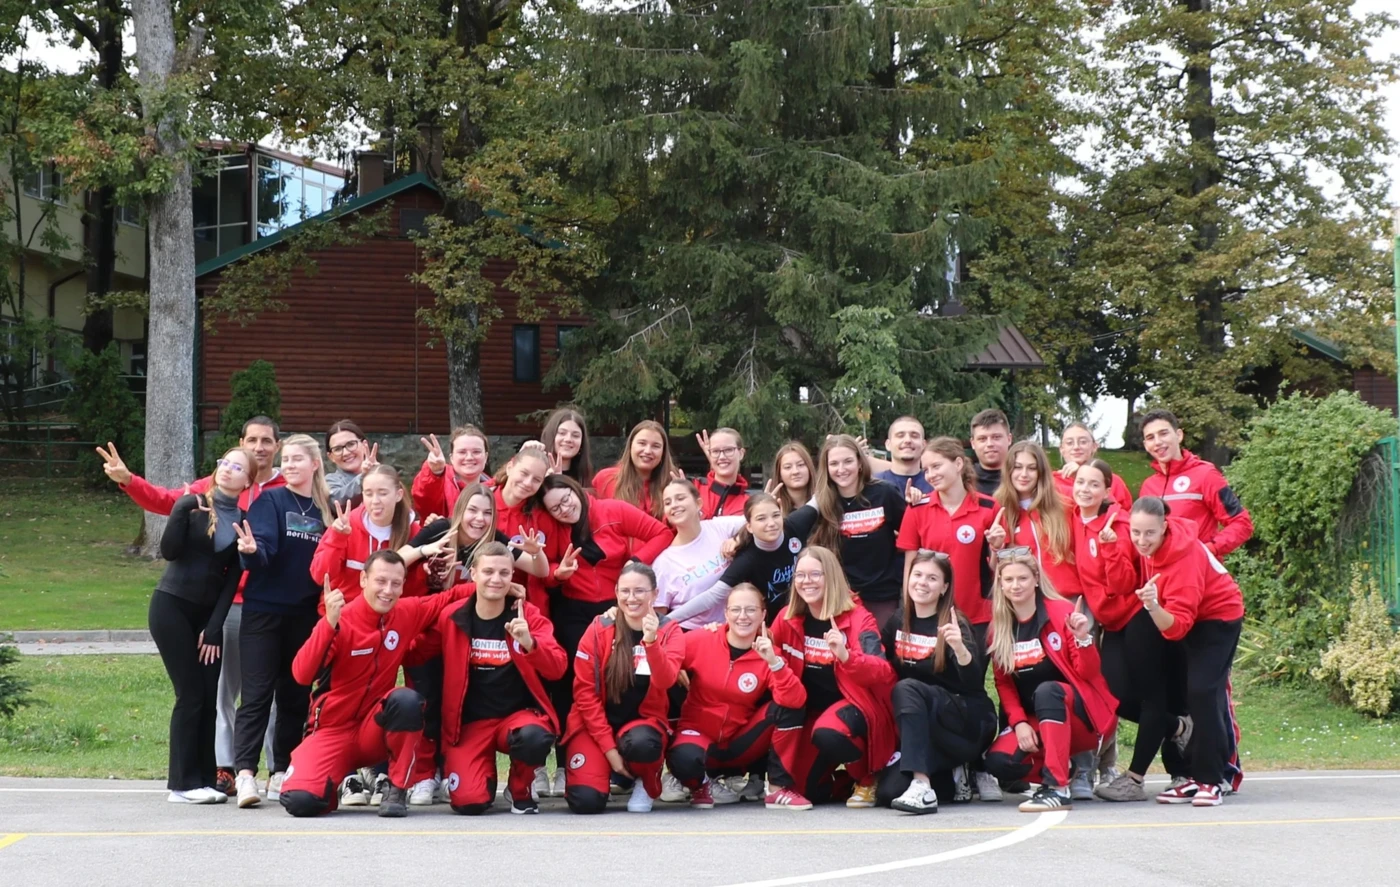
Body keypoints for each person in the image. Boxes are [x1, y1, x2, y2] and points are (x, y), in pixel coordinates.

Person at [97, 417, 283, 794]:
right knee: (211, 694)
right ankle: (213, 773)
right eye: (251, 440)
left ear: (276, 446)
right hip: (207, 607)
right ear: (240, 443)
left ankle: (269, 771)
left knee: (260, 694)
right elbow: (167, 504)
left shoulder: (281, 491)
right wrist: (129, 480)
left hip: (259, 605)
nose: (258, 447)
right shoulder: (203, 494)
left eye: (266, 440)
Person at [276, 550, 478, 817]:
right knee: (300, 802)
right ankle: (331, 784)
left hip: (374, 732)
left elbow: (449, 597)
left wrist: (494, 586)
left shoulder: (406, 611)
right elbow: (302, 674)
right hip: (332, 730)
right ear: (363, 580)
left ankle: (397, 790)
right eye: (380, 581)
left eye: (396, 583)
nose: (388, 590)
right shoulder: (341, 619)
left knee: (406, 700)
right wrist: (328, 624)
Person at [394, 481, 551, 807]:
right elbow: (396, 560)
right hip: (436, 623)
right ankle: (425, 774)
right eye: (472, 510)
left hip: (469, 627)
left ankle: (464, 772)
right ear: (459, 510)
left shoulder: (495, 541)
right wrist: (425, 551)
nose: (479, 519)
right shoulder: (440, 530)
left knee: (458, 700)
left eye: (487, 512)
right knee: (426, 698)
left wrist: (536, 554)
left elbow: (540, 570)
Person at [417, 542, 568, 815]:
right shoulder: (451, 616)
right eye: (488, 572)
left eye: (504, 573)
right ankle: (481, 783)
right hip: (470, 725)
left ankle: (520, 788)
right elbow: (416, 652)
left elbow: (557, 667)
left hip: (517, 719)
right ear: (473, 573)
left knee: (534, 736)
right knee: (469, 803)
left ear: (512, 576)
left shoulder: (527, 615)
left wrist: (531, 644)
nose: (496, 579)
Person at [230, 433, 332, 808]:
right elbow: (263, 548)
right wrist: (252, 552)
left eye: (296, 459)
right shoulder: (270, 501)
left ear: (315, 464)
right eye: (285, 459)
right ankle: (245, 774)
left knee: (294, 696)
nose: (288, 465)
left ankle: (281, 770)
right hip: (263, 612)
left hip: (305, 616)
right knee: (256, 695)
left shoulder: (327, 509)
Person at [1127, 496, 1246, 807]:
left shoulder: (1184, 558)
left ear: (1164, 527)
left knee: (1204, 691)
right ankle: (1193, 776)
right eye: (1135, 532)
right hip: (1193, 617)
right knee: (1189, 693)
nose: (1142, 540)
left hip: (1219, 618)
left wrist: (1153, 606)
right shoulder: (1155, 547)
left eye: (1149, 533)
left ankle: (1213, 779)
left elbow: (1177, 627)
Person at [150, 447, 252, 804]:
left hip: (207, 619)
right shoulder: (193, 506)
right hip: (171, 608)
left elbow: (231, 581)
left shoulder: (243, 520)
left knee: (209, 697)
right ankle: (181, 784)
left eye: (237, 467)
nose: (228, 469)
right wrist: (180, 509)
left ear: (248, 481)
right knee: (190, 693)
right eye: (225, 463)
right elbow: (169, 551)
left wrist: (213, 628)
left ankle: (206, 778)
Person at [538, 475, 674, 740]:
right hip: (574, 609)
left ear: (575, 490)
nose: (564, 509)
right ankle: (573, 741)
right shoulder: (553, 527)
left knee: (620, 671)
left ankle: (625, 737)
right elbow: (543, 570)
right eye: (555, 508)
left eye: (566, 499)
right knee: (577, 676)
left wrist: (635, 562)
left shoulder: (612, 510)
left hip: (617, 606)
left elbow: (662, 533)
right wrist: (558, 573)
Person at [982, 552, 1118, 812]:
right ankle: (1066, 768)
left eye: (1022, 578)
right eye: (1008, 579)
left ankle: (1057, 787)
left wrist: (1083, 639)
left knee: (1047, 691)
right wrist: (1019, 723)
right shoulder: (999, 628)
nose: (1015, 585)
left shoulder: (1062, 612)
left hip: (1082, 718)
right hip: (1039, 722)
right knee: (999, 762)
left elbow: (1089, 673)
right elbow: (1005, 685)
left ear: (1036, 579)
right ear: (1000, 584)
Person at [766, 546, 896, 810]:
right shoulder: (787, 617)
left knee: (829, 732)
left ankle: (868, 777)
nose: (807, 581)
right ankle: (844, 783)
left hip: (857, 707)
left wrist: (847, 656)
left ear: (832, 577)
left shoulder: (859, 618)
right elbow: (765, 647)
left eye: (815, 574)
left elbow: (882, 670)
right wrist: (721, 631)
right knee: (804, 790)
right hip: (811, 713)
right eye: (800, 575)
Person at [878, 551, 995, 814]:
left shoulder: (954, 623)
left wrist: (960, 649)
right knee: (889, 793)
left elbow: (973, 682)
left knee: (907, 687)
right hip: (923, 726)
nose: (922, 582)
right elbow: (879, 665)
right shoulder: (898, 621)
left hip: (965, 723)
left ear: (944, 587)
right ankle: (953, 777)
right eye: (917, 575)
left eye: (932, 578)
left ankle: (922, 784)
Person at [668, 584, 805, 808]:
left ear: (763, 614)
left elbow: (796, 700)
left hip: (740, 744)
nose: (743, 616)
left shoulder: (770, 654)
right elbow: (661, 648)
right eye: (736, 609)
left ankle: (778, 788)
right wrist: (674, 667)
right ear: (726, 613)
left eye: (751, 610)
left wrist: (774, 663)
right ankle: (702, 784)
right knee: (683, 761)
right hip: (699, 736)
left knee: (787, 705)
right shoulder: (702, 639)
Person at [563, 563, 684, 814]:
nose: (631, 598)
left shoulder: (669, 630)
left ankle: (645, 779)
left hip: (642, 726)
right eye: (625, 591)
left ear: (654, 594)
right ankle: (612, 775)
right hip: (595, 726)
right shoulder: (599, 628)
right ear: (616, 592)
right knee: (586, 802)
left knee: (642, 744)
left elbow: (665, 681)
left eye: (639, 591)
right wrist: (610, 751)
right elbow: (585, 694)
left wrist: (651, 643)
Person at [1065, 459, 1142, 794]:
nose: (1085, 489)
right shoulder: (1072, 517)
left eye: (1094, 484)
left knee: (1116, 693)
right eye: (1080, 482)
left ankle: (1109, 764)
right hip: (1097, 618)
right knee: (1093, 689)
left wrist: (1110, 547)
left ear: (1108, 490)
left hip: (1128, 618)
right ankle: (1091, 766)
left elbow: (1124, 583)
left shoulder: (1115, 525)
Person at [788, 434, 906, 625]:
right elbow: (791, 529)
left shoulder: (885, 493)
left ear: (860, 463)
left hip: (882, 595)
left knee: (877, 644)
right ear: (826, 468)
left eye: (848, 461)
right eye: (834, 463)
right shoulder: (823, 501)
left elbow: (911, 534)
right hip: (839, 595)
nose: (841, 469)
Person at [662, 492, 809, 628]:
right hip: (774, 626)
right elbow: (713, 595)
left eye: (775, 515)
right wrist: (666, 620)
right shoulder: (747, 559)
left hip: (805, 612)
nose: (771, 523)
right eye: (761, 518)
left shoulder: (795, 524)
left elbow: (818, 500)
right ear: (749, 527)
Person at [1137, 409, 1253, 557]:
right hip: (1160, 571)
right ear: (1146, 445)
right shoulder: (1148, 487)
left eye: (1163, 433)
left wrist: (1209, 550)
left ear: (1179, 435)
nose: (1158, 442)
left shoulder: (1206, 475)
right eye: (1150, 437)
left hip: (1199, 570)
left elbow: (1241, 523)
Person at [310, 465, 422, 605]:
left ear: (398, 495)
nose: (375, 501)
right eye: (368, 494)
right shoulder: (346, 525)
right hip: (343, 612)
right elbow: (320, 576)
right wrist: (337, 539)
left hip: (389, 615)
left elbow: (416, 590)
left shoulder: (414, 531)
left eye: (383, 493)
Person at [652, 478, 747, 630]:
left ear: (698, 504)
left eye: (680, 498)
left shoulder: (718, 527)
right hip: (694, 635)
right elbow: (658, 620)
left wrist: (738, 539)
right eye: (668, 503)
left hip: (738, 626)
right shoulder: (664, 563)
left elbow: (755, 522)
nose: (674, 505)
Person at [990, 441, 1080, 601]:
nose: (1024, 474)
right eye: (1017, 467)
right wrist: (996, 548)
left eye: (1032, 468)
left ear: (1040, 472)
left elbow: (1105, 503)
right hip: (1027, 602)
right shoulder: (999, 508)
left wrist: (1083, 476)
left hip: (1067, 598)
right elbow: (995, 568)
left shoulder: (1065, 500)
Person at [592, 419, 678, 521]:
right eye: (642, 443)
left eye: (656, 446)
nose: (647, 451)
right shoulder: (605, 479)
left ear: (663, 452)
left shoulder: (673, 482)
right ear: (630, 446)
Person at [412, 425, 493, 520]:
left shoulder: (496, 490)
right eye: (462, 452)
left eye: (476, 452)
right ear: (452, 458)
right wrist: (435, 473)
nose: (469, 457)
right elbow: (423, 502)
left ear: (486, 457)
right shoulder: (440, 482)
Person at [1055, 423, 1131, 512]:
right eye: (1069, 443)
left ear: (1094, 447)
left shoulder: (1113, 481)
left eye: (1083, 442)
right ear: (1062, 449)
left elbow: (1125, 515)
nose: (1076, 447)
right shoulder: (1050, 481)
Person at [693, 428, 751, 518]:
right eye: (715, 451)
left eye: (728, 450)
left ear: (741, 453)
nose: (722, 457)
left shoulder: (750, 503)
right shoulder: (694, 488)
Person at [872, 416, 933, 499]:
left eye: (914, 436)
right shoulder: (873, 484)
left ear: (924, 445)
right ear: (888, 444)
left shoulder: (935, 482)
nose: (907, 440)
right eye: (900, 436)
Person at [325, 419, 379, 508]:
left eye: (350, 444)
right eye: (338, 449)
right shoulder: (330, 481)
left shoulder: (383, 475)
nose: (346, 453)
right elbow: (337, 502)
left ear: (364, 445)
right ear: (331, 457)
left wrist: (381, 477)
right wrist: (363, 477)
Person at [541, 406, 594, 489]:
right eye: (562, 433)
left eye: (575, 435)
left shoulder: (586, 480)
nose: (568, 439)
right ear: (551, 436)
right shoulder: (536, 473)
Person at [969, 409, 1011, 497]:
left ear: (1009, 439)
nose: (990, 444)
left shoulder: (1023, 478)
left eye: (996, 437)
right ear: (973, 443)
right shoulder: (963, 481)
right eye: (982, 439)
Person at [768, 441, 815, 515]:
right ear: (779, 474)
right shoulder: (775, 508)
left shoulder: (824, 503)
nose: (795, 471)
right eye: (788, 467)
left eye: (800, 465)